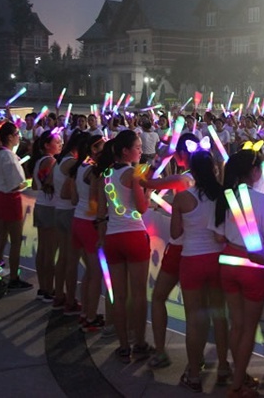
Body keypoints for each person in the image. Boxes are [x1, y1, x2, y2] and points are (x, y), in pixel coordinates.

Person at [213, 149, 264, 397]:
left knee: (236, 325)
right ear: (254, 171)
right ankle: (237, 385)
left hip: (227, 262)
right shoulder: (263, 201)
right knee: (249, 327)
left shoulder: (224, 197)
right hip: (253, 266)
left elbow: (218, 235)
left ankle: (239, 374)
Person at [170, 150, 230, 392]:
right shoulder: (223, 196)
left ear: (192, 171)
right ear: (214, 169)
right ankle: (224, 366)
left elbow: (175, 234)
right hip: (217, 260)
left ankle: (194, 373)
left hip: (192, 261)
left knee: (194, 320)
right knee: (219, 316)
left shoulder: (182, 198)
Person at [95, 130, 155, 363]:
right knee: (139, 295)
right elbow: (141, 208)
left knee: (118, 296)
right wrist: (148, 191)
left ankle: (123, 346)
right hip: (134, 236)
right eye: (138, 147)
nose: (141, 150)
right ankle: (139, 343)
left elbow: (101, 210)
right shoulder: (133, 173)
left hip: (113, 237)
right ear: (125, 151)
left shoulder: (106, 174)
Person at [149, 132, 198, 367]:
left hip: (180, 249)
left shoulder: (182, 179)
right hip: (201, 250)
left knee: (158, 297)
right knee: (197, 310)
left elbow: (148, 182)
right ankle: (198, 362)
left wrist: (160, 160)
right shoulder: (208, 177)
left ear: (180, 155)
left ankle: (160, 352)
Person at [0, 121, 33, 290]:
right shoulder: (8, 157)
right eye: (16, 134)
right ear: (10, 137)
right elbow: (16, 184)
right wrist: (28, 182)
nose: (18, 137)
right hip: (10, 199)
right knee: (15, 241)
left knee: (0, 239)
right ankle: (14, 277)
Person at [67, 133, 106, 331]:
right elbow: (95, 204)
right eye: (102, 146)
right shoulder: (94, 171)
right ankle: (91, 317)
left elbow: (74, 200)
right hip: (90, 225)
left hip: (77, 221)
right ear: (93, 149)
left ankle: (85, 313)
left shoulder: (78, 167)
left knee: (88, 273)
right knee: (95, 273)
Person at [30, 130, 62, 302]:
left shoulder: (38, 161)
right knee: (49, 250)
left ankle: (43, 287)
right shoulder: (51, 162)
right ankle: (49, 288)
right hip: (50, 207)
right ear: (46, 145)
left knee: (42, 248)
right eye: (57, 141)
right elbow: (49, 184)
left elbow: (35, 185)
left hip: (41, 205)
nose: (60, 144)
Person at [52, 130, 82, 313]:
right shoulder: (73, 163)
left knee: (62, 257)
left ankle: (59, 295)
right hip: (70, 212)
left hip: (59, 210)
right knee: (71, 260)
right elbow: (68, 192)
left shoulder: (61, 160)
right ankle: (70, 300)